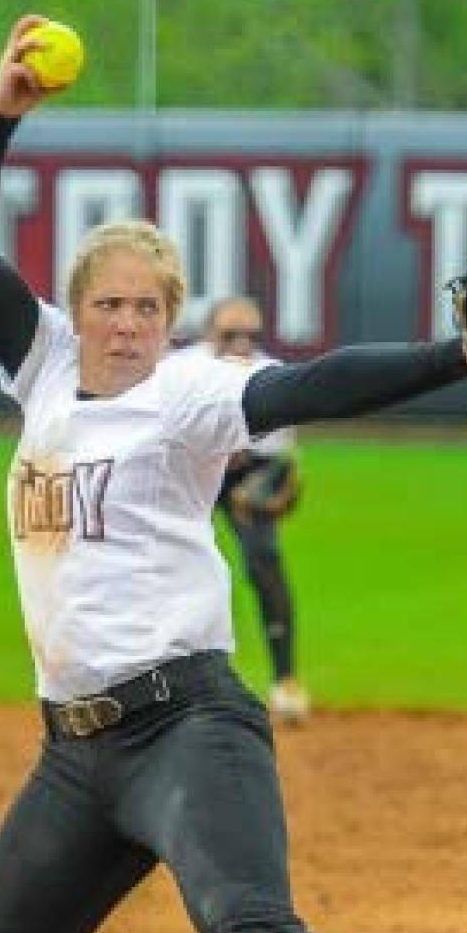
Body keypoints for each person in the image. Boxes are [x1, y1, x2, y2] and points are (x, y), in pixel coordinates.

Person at [0, 14, 467, 933]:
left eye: (148, 309)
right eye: (108, 305)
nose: (125, 325)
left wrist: (452, 358)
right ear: (76, 311)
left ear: (171, 319)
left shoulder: (192, 391)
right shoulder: (46, 367)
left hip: (188, 727)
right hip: (73, 754)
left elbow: (312, 386)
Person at [181, 296, 310, 724]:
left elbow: (278, 457)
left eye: (250, 334)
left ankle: (285, 679)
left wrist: (267, 480)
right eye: (230, 334)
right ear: (208, 334)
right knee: (166, 565)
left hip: (243, 479)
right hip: (185, 474)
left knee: (265, 560)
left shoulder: (269, 375)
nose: (241, 342)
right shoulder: (180, 368)